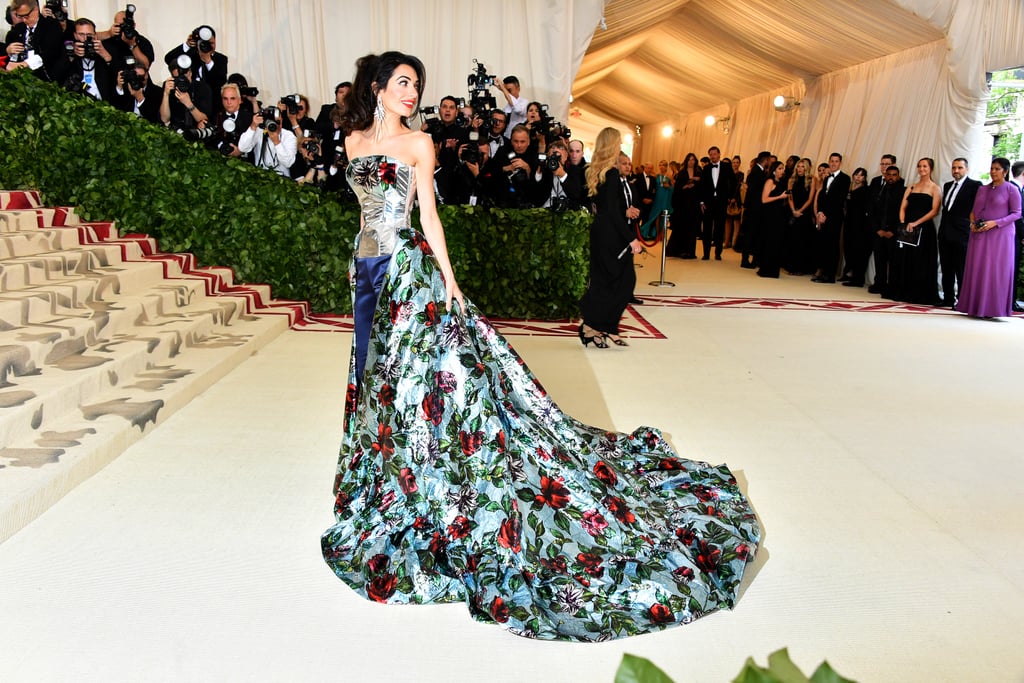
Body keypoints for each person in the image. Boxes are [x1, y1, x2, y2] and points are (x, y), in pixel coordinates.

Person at [320, 54, 760, 642]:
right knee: (375, 373)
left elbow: (428, 216)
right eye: (402, 83)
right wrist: (360, 265)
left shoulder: (421, 144)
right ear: (377, 87)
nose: (411, 92)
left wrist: (448, 281)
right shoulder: (350, 142)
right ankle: (384, 471)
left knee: (421, 377)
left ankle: (428, 473)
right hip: (366, 268)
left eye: (417, 85)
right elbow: (363, 213)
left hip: (406, 269)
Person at [580, 140, 644, 347]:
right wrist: (631, 238)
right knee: (619, 283)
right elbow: (612, 212)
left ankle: (600, 327)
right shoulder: (611, 174)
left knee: (609, 282)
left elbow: (606, 207)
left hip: (603, 232)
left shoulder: (598, 172)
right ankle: (595, 324)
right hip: (612, 235)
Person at [955, 157, 1022, 318]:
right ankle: (974, 306)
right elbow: (973, 210)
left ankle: (992, 308)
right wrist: (972, 223)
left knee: (995, 270)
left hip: (1000, 235)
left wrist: (995, 223)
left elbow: (1017, 213)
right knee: (977, 267)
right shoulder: (982, 189)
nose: (993, 172)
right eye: (992, 168)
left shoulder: (1011, 189)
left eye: (997, 169)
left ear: (1005, 172)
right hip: (978, 234)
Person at [891, 158, 941, 304]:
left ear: (931, 168)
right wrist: (903, 224)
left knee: (921, 261)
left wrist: (916, 223)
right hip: (908, 229)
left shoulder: (935, 188)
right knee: (906, 259)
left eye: (924, 166)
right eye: (919, 166)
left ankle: (920, 293)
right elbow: (902, 207)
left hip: (924, 229)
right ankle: (904, 291)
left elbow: (934, 211)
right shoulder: (911, 187)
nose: (921, 169)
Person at [937, 158, 981, 308]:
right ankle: (948, 298)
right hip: (945, 233)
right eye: (954, 167)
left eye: (960, 168)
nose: (956, 170)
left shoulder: (975, 186)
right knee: (946, 267)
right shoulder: (947, 185)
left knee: (961, 269)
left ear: (966, 169)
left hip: (962, 234)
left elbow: (976, 209)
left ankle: (962, 300)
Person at [811, 152, 850, 283]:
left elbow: (839, 199)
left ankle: (830, 275)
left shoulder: (845, 178)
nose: (833, 163)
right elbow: (822, 197)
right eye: (831, 161)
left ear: (840, 163)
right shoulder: (827, 178)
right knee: (824, 244)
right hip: (823, 216)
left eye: (836, 161)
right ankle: (823, 272)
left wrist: (826, 214)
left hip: (834, 217)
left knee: (833, 246)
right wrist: (820, 213)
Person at [698, 147, 736, 260]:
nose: (713, 156)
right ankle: (706, 253)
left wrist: (730, 196)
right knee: (707, 228)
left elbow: (734, 181)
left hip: (721, 201)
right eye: (711, 154)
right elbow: (701, 186)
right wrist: (701, 201)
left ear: (719, 154)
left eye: (715, 154)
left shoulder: (726, 167)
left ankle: (718, 253)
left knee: (719, 228)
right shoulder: (706, 168)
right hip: (708, 202)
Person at [756, 161, 788, 278]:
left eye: (783, 168)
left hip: (779, 215)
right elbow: (764, 199)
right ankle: (766, 269)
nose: (782, 171)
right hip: (770, 215)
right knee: (769, 241)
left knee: (777, 242)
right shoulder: (770, 181)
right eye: (780, 168)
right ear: (774, 170)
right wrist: (780, 197)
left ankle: (773, 269)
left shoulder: (782, 182)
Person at [840, 167, 870, 286]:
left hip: (860, 223)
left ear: (864, 178)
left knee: (857, 249)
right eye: (856, 175)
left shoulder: (865, 190)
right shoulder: (849, 188)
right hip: (848, 221)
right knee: (848, 247)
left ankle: (856, 277)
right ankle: (848, 272)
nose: (858, 177)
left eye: (861, 175)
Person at [667, 152, 700, 258]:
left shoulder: (699, 172)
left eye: (693, 159)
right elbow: (677, 190)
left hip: (694, 204)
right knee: (681, 227)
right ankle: (679, 251)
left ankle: (690, 251)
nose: (691, 161)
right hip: (683, 204)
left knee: (692, 228)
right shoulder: (682, 173)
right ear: (686, 161)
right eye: (689, 159)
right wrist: (686, 186)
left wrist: (697, 181)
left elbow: (702, 188)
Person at [639, 159, 673, 240]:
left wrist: (669, 187)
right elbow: (652, 187)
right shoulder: (656, 176)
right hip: (657, 198)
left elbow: (673, 188)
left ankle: (659, 235)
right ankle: (646, 232)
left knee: (663, 218)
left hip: (665, 198)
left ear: (666, 167)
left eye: (663, 165)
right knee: (654, 216)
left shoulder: (669, 176)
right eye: (660, 165)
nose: (661, 167)